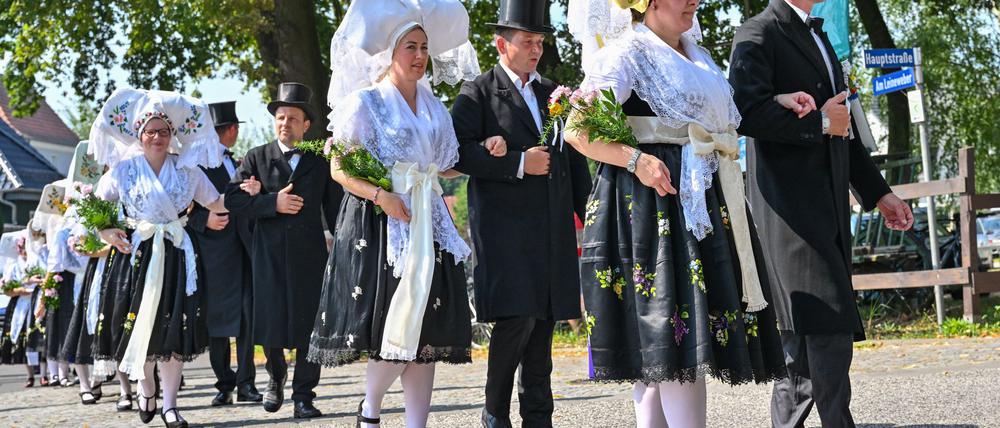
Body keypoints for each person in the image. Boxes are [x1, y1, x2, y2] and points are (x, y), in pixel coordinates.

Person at [562, 0, 810, 426]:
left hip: (698, 200)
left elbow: (716, 117)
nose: (694, 0)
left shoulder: (696, 53)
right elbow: (577, 129)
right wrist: (636, 160)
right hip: (653, 205)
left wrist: (780, 99)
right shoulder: (628, 53)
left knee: (670, 346)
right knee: (673, 340)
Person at [729, 1, 914, 426]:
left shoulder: (822, 37)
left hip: (828, 210)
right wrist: (819, 124)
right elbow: (744, 112)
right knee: (827, 320)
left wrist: (879, 194)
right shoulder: (757, 34)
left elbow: (842, 127)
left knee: (801, 345)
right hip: (788, 213)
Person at [307, 1, 482, 426]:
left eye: (424, 47)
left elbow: (441, 164)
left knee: (428, 332)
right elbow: (338, 167)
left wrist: (488, 152)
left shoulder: (434, 106)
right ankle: (371, 405)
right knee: (395, 325)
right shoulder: (366, 103)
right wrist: (379, 196)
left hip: (427, 217)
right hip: (385, 223)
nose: (420, 56)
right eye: (411, 47)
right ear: (391, 51)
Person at [449, 0, 592, 425]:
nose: (536, 49)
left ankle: (538, 418)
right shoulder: (477, 91)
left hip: (551, 232)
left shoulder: (554, 93)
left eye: (540, 42)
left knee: (543, 328)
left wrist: (592, 215)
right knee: (517, 322)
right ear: (501, 44)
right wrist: (514, 162)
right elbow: (455, 152)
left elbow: (575, 160)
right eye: (528, 41)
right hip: (505, 233)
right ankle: (495, 413)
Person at [89, 87, 230, 428]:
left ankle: (169, 405)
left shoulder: (188, 171)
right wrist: (105, 233)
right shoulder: (122, 172)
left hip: (177, 256)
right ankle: (145, 385)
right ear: (139, 134)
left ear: (172, 135)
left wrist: (248, 194)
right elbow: (91, 209)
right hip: (135, 256)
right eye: (150, 131)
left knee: (174, 328)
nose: (157, 137)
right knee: (137, 324)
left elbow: (218, 203)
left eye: (163, 132)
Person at [224, 82, 344, 419]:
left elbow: (334, 208)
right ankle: (275, 377)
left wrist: (346, 246)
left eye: (292, 117)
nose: (285, 123)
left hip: (310, 256)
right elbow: (232, 199)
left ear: (306, 125)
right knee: (271, 321)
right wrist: (270, 202)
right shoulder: (256, 157)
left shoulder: (321, 160)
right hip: (268, 255)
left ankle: (304, 396)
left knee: (310, 325)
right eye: (280, 117)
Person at [187, 101, 262, 407]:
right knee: (217, 322)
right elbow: (179, 208)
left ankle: (246, 382)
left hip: (243, 249)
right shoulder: (194, 165)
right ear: (230, 130)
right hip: (214, 254)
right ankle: (224, 383)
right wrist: (202, 219)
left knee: (247, 318)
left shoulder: (237, 161)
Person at [0, 231, 45, 388]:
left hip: (36, 300)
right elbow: (7, 289)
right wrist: (20, 289)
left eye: (24, 246)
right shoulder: (12, 266)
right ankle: (30, 375)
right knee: (23, 339)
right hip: (20, 303)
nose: (21, 250)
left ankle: (45, 374)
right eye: (19, 247)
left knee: (38, 336)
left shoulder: (36, 260)